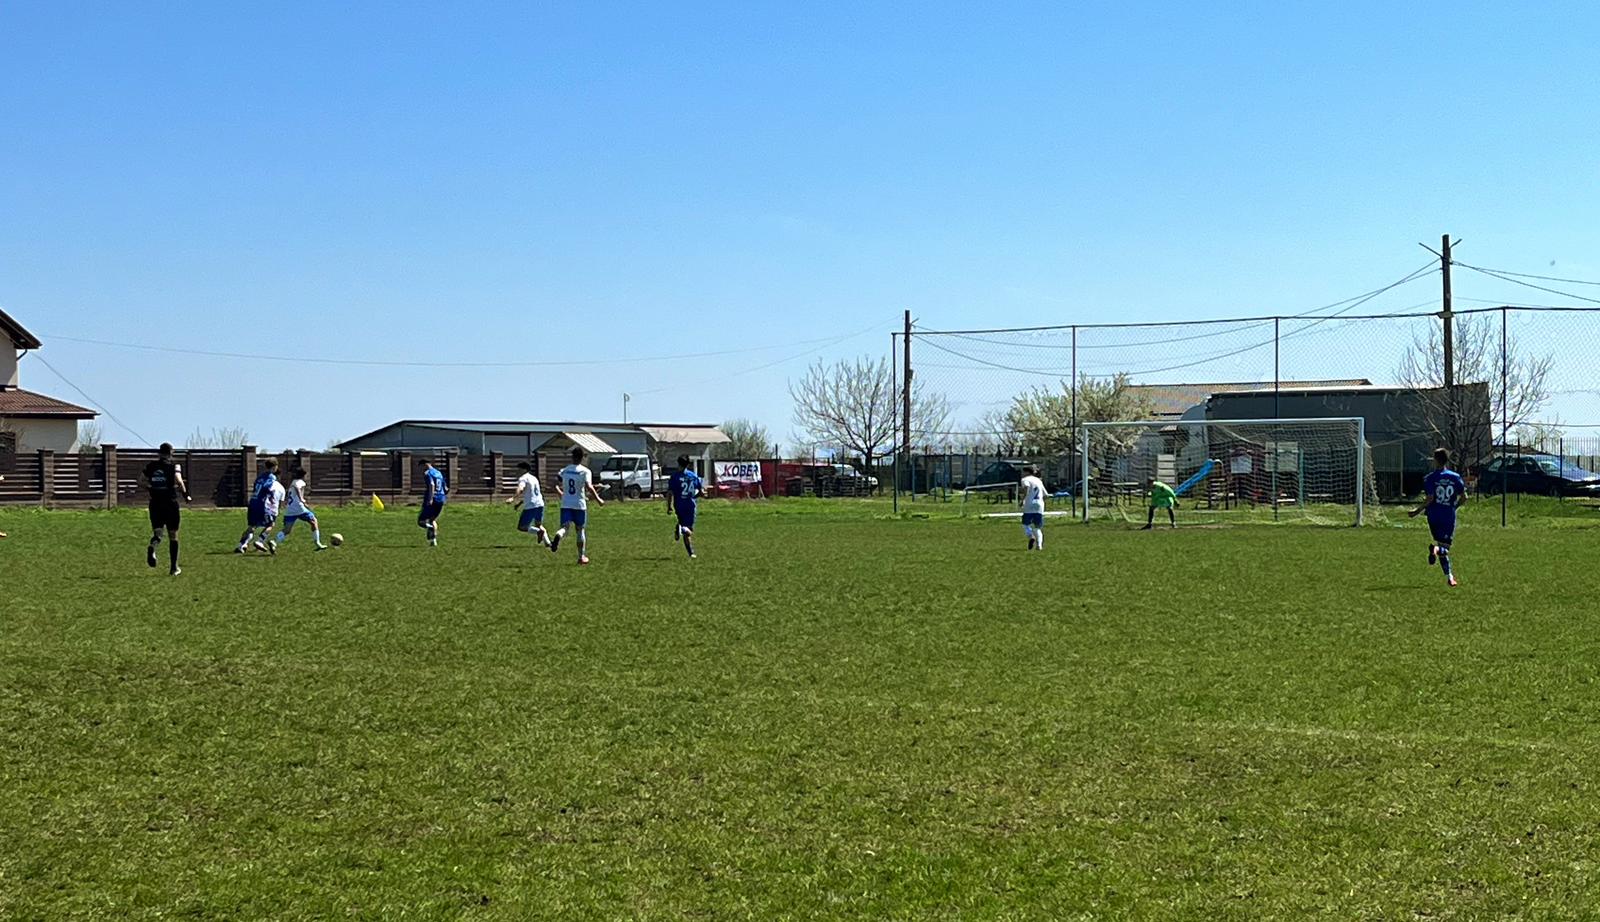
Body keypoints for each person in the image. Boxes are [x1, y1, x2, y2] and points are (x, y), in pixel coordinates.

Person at [1410, 447, 1466, 587]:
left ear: (1435, 460)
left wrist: (1417, 511)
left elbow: (1430, 498)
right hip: (1447, 517)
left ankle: (1450, 577)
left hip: (1433, 517)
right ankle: (1435, 551)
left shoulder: (1430, 478)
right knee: (1444, 547)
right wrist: (1454, 507)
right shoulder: (1455, 477)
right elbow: (1464, 497)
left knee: (1442, 546)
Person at [550, 446, 605, 565]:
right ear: (582, 458)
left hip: (566, 504)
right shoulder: (585, 471)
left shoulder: (565, 470)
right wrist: (598, 499)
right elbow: (589, 487)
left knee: (565, 527)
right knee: (580, 530)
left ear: (572, 457)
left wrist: (560, 494)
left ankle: (558, 534)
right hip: (579, 504)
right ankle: (581, 557)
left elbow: (553, 484)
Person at [142, 442, 191, 575]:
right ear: (171, 453)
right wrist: (186, 495)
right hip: (170, 503)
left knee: (158, 533)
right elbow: (179, 481)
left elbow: (140, 480)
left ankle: (152, 547)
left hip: (155, 503)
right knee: (173, 535)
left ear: (159, 453)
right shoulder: (175, 466)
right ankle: (174, 568)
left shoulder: (151, 466)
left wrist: (150, 488)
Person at [274, 467, 329, 550]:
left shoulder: (293, 482)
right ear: (303, 475)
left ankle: (274, 542)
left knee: (287, 530)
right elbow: (297, 488)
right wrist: (301, 499)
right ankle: (317, 543)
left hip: (290, 509)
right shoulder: (300, 482)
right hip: (299, 508)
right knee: (314, 521)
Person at [237, 459, 283, 554]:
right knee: (270, 524)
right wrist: (270, 495)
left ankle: (241, 545)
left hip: (253, 502)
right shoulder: (271, 477)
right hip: (261, 504)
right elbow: (266, 487)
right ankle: (260, 541)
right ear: (274, 467)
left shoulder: (260, 476)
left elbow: (255, 487)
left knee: (252, 526)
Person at [504, 460, 550, 547]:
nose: (517, 471)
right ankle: (548, 543)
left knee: (522, 527)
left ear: (524, 469)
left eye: (519, 469)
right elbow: (530, 493)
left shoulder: (523, 478)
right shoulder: (534, 478)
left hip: (531, 506)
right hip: (540, 504)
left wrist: (513, 498)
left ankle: (538, 532)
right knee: (538, 524)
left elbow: (521, 489)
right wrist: (519, 503)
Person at [667, 455, 703, 558]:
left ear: (678, 463)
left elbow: (670, 493)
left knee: (686, 530)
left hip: (679, 505)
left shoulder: (675, 477)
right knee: (688, 530)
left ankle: (691, 553)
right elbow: (701, 492)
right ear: (688, 464)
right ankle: (681, 529)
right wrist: (694, 496)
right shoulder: (693, 476)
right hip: (690, 505)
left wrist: (669, 506)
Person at [418, 459, 448, 547]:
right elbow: (446, 488)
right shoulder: (439, 473)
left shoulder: (428, 473)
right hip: (441, 498)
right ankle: (433, 541)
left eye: (421, 467)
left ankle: (430, 528)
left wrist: (430, 498)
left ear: (425, 465)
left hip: (432, 498)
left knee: (421, 521)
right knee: (432, 520)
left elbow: (432, 485)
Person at [1019, 464, 1047, 551]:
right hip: (1039, 505)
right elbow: (1045, 494)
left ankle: (1031, 536)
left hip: (1029, 504)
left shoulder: (1025, 479)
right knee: (1037, 527)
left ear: (1027, 472)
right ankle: (1039, 546)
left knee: (1025, 524)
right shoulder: (1038, 480)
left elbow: (1027, 487)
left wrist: (1023, 499)